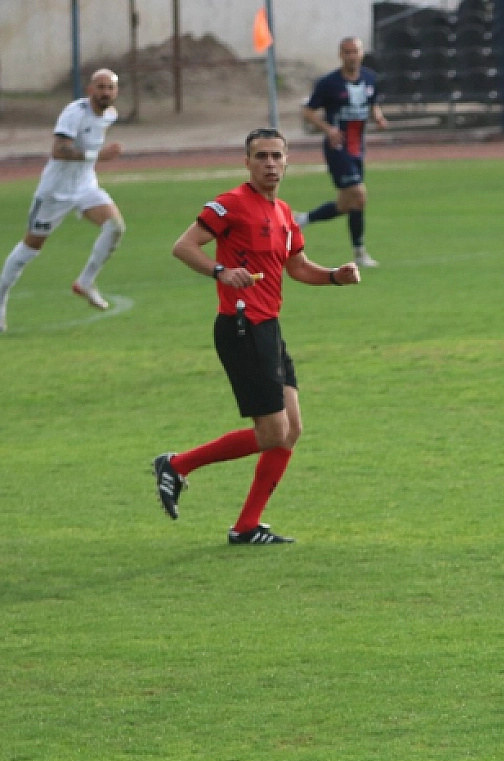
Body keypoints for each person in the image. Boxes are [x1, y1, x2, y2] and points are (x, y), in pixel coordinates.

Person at [153, 128, 360, 545]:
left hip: (270, 329)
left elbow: (298, 268)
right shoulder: (231, 205)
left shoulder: (283, 213)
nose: (269, 163)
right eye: (261, 156)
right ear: (246, 162)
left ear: (286, 162)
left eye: (276, 156)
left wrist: (335, 277)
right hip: (241, 327)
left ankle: (247, 526)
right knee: (271, 433)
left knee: (292, 429)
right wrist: (220, 271)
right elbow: (183, 246)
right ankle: (177, 466)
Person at [0, 69, 125, 334]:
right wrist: (98, 155)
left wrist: (94, 160)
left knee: (115, 226)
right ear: (90, 89)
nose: (105, 93)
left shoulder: (110, 115)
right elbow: (58, 150)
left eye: (110, 88)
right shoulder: (74, 113)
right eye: (100, 87)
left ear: (116, 92)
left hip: (85, 188)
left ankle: (85, 282)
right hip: (54, 193)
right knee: (29, 249)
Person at [295, 37, 387, 268]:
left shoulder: (369, 78)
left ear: (361, 53)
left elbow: (372, 102)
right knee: (359, 194)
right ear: (340, 55)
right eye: (347, 52)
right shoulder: (329, 83)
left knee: (348, 204)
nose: (351, 56)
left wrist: (378, 116)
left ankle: (302, 219)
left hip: (358, 147)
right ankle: (360, 254)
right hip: (338, 147)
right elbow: (308, 112)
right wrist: (328, 129)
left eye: (354, 51)